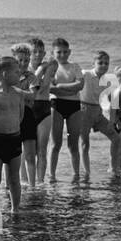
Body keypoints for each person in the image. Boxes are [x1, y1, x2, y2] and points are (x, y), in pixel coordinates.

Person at [0, 56, 25, 213]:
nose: (19, 74)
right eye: (16, 72)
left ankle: (16, 210)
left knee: (14, 179)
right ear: (4, 74)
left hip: (14, 140)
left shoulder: (19, 94)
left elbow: (20, 116)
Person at [46, 37, 84, 182]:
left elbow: (80, 85)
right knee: (56, 143)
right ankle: (52, 175)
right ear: (53, 52)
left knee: (73, 144)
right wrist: (69, 89)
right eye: (59, 52)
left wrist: (60, 87)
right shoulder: (51, 68)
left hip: (74, 106)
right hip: (56, 105)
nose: (62, 55)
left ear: (69, 52)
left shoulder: (75, 66)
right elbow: (51, 89)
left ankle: (76, 175)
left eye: (65, 52)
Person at [77, 51, 117, 180]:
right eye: (100, 63)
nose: (103, 65)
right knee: (84, 143)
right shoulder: (85, 74)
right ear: (93, 63)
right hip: (83, 111)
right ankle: (87, 172)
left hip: (98, 112)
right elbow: (73, 88)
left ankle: (112, 168)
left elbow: (113, 103)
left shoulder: (107, 82)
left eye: (106, 63)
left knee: (116, 138)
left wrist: (112, 120)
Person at [11, 42, 40, 190]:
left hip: (28, 116)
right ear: (13, 59)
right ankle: (11, 185)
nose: (23, 63)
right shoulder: (7, 75)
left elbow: (32, 96)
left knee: (30, 154)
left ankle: (33, 186)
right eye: (19, 60)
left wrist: (15, 91)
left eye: (26, 60)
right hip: (10, 115)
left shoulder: (32, 77)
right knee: (11, 155)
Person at [28, 36, 55, 183]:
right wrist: (41, 68)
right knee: (27, 151)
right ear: (29, 53)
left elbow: (42, 88)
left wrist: (44, 68)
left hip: (44, 107)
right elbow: (30, 87)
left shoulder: (49, 67)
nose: (37, 55)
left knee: (42, 150)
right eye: (34, 52)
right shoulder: (25, 68)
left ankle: (40, 182)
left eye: (40, 52)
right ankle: (26, 182)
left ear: (44, 53)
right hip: (28, 109)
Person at [104, 64, 121, 175]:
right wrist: (116, 122)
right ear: (119, 78)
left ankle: (119, 167)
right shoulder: (118, 92)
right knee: (117, 146)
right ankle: (112, 167)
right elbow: (111, 109)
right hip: (119, 122)